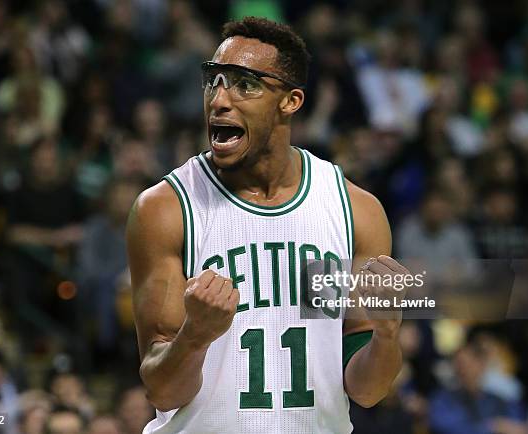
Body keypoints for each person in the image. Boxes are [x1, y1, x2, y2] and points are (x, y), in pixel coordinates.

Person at [127, 17, 409, 433]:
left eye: (245, 85)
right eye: (214, 80)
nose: (219, 100)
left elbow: (366, 391)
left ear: (290, 101)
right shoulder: (166, 209)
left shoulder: (353, 209)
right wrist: (196, 335)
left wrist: (386, 337)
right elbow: (162, 391)